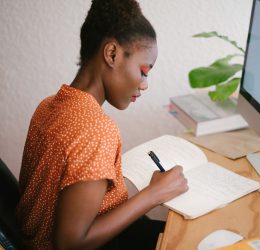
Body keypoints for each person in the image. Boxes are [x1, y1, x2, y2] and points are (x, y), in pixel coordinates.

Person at [16, 0, 188, 249]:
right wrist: (153, 195)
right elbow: (71, 243)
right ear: (112, 54)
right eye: (144, 71)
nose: (144, 84)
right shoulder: (96, 129)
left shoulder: (48, 105)